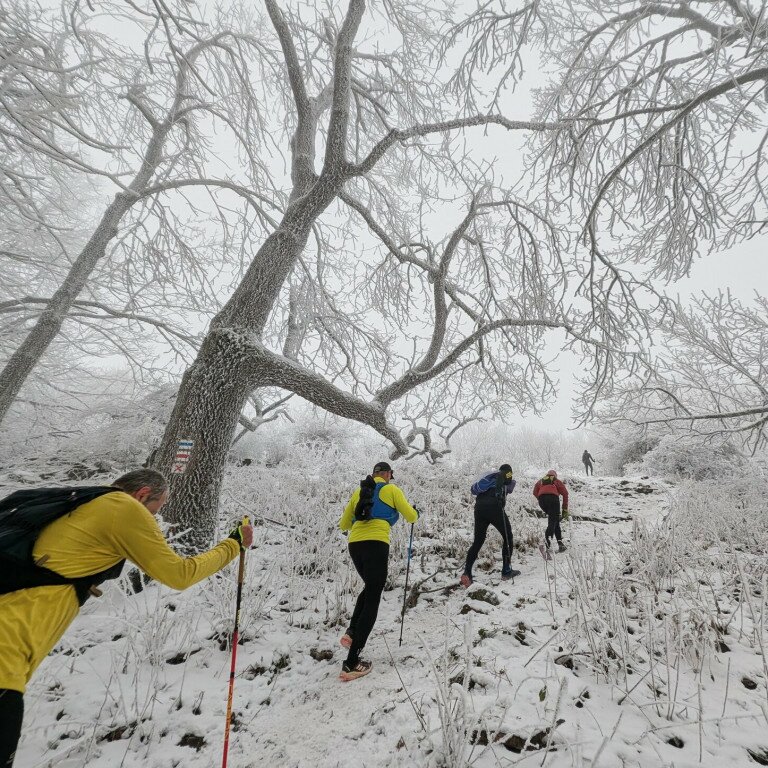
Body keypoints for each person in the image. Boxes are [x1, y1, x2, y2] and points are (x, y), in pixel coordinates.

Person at [0, 469, 253, 768]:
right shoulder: (125, 508)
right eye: (156, 509)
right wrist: (234, 544)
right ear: (143, 494)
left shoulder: (89, 503)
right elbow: (179, 574)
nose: (155, 519)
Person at [338, 461, 419, 682]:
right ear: (387, 474)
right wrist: (416, 513)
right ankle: (352, 662)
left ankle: (352, 632)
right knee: (373, 596)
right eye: (390, 474)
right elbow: (411, 516)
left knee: (371, 588)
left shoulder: (359, 492)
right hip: (376, 543)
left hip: (355, 544)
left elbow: (344, 524)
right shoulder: (391, 489)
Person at [460, 464, 521, 588]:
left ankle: (467, 573)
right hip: (495, 507)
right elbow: (510, 485)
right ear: (508, 471)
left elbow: (473, 490)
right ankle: (506, 571)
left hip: (479, 508)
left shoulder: (486, 478)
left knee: (478, 541)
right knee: (508, 536)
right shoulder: (506, 477)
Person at [533, 469, 569, 553]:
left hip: (542, 501)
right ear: (555, 475)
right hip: (553, 500)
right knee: (553, 522)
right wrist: (564, 509)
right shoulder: (556, 481)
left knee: (555, 521)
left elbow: (535, 492)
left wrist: (542, 498)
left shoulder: (541, 481)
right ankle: (546, 544)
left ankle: (560, 544)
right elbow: (565, 494)